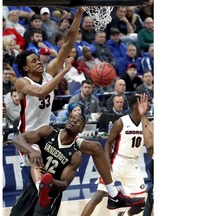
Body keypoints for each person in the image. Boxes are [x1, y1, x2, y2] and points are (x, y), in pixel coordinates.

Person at [14, 8, 142, 210]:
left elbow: (69, 41)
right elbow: (40, 92)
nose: (39, 62)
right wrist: (64, 71)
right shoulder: (21, 82)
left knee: (96, 148)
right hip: (30, 135)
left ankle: (113, 194)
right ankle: (42, 188)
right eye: (33, 61)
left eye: (39, 59)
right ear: (25, 68)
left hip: (48, 132)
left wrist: (80, 14)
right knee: (36, 156)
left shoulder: (49, 74)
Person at [81, 94, 147, 216]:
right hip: (117, 162)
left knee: (141, 203)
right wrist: (107, 161)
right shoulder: (121, 122)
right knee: (98, 197)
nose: (147, 105)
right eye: (143, 102)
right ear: (135, 106)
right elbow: (108, 142)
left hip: (133, 165)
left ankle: (124, 215)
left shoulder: (146, 122)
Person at [10, 114, 86, 216]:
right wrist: (31, 151)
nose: (74, 121)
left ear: (81, 130)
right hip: (31, 189)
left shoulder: (76, 154)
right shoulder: (49, 131)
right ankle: (39, 186)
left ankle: (43, 189)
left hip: (50, 196)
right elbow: (17, 139)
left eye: (79, 122)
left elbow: (64, 184)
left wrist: (49, 180)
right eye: (72, 118)